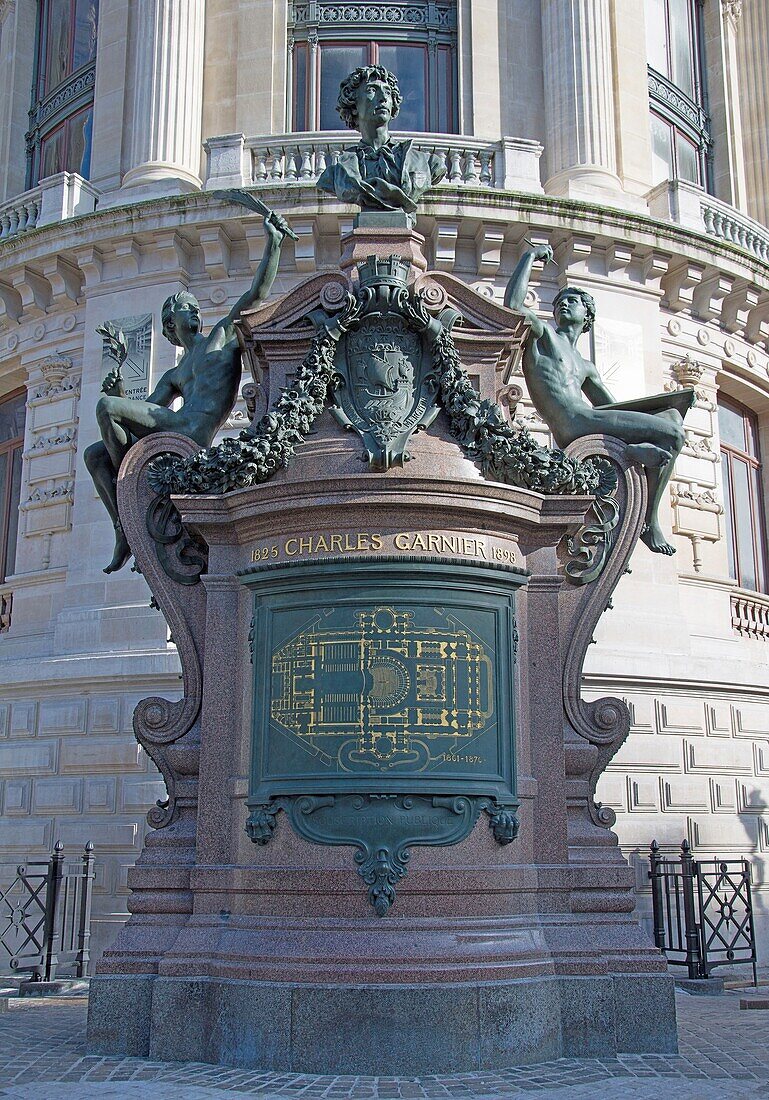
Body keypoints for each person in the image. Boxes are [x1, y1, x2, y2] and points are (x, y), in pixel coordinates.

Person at [85, 209, 291, 573]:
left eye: (196, 308)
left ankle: (132, 499)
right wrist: (119, 393)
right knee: (94, 454)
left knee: (107, 408)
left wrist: (272, 243)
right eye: (186, 309)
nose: (195, 313)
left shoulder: (222, 336)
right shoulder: (175, 373)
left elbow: (255, 293)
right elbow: (138, 418)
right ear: (170, 323)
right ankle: (125, 522)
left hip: (192, 432)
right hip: (173, 426)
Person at [505, 245, 690, 555]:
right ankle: (648, 520)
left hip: (588, 420)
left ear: (586, 316)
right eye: (560, 302)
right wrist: (528, 257)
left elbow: (615, 410)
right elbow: (513, 306)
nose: (563, 305)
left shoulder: (585, 365)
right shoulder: (545, 337)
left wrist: (669, 405)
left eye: (572, 301)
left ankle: (631, 456)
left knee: (671, 419)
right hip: (572, 422)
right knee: (672, 433)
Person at [317, 65, 445, 215]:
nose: (383, 98)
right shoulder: (338, 171)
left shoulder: (426, 163)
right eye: (372, 90)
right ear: (354, 105)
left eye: (388, 92)